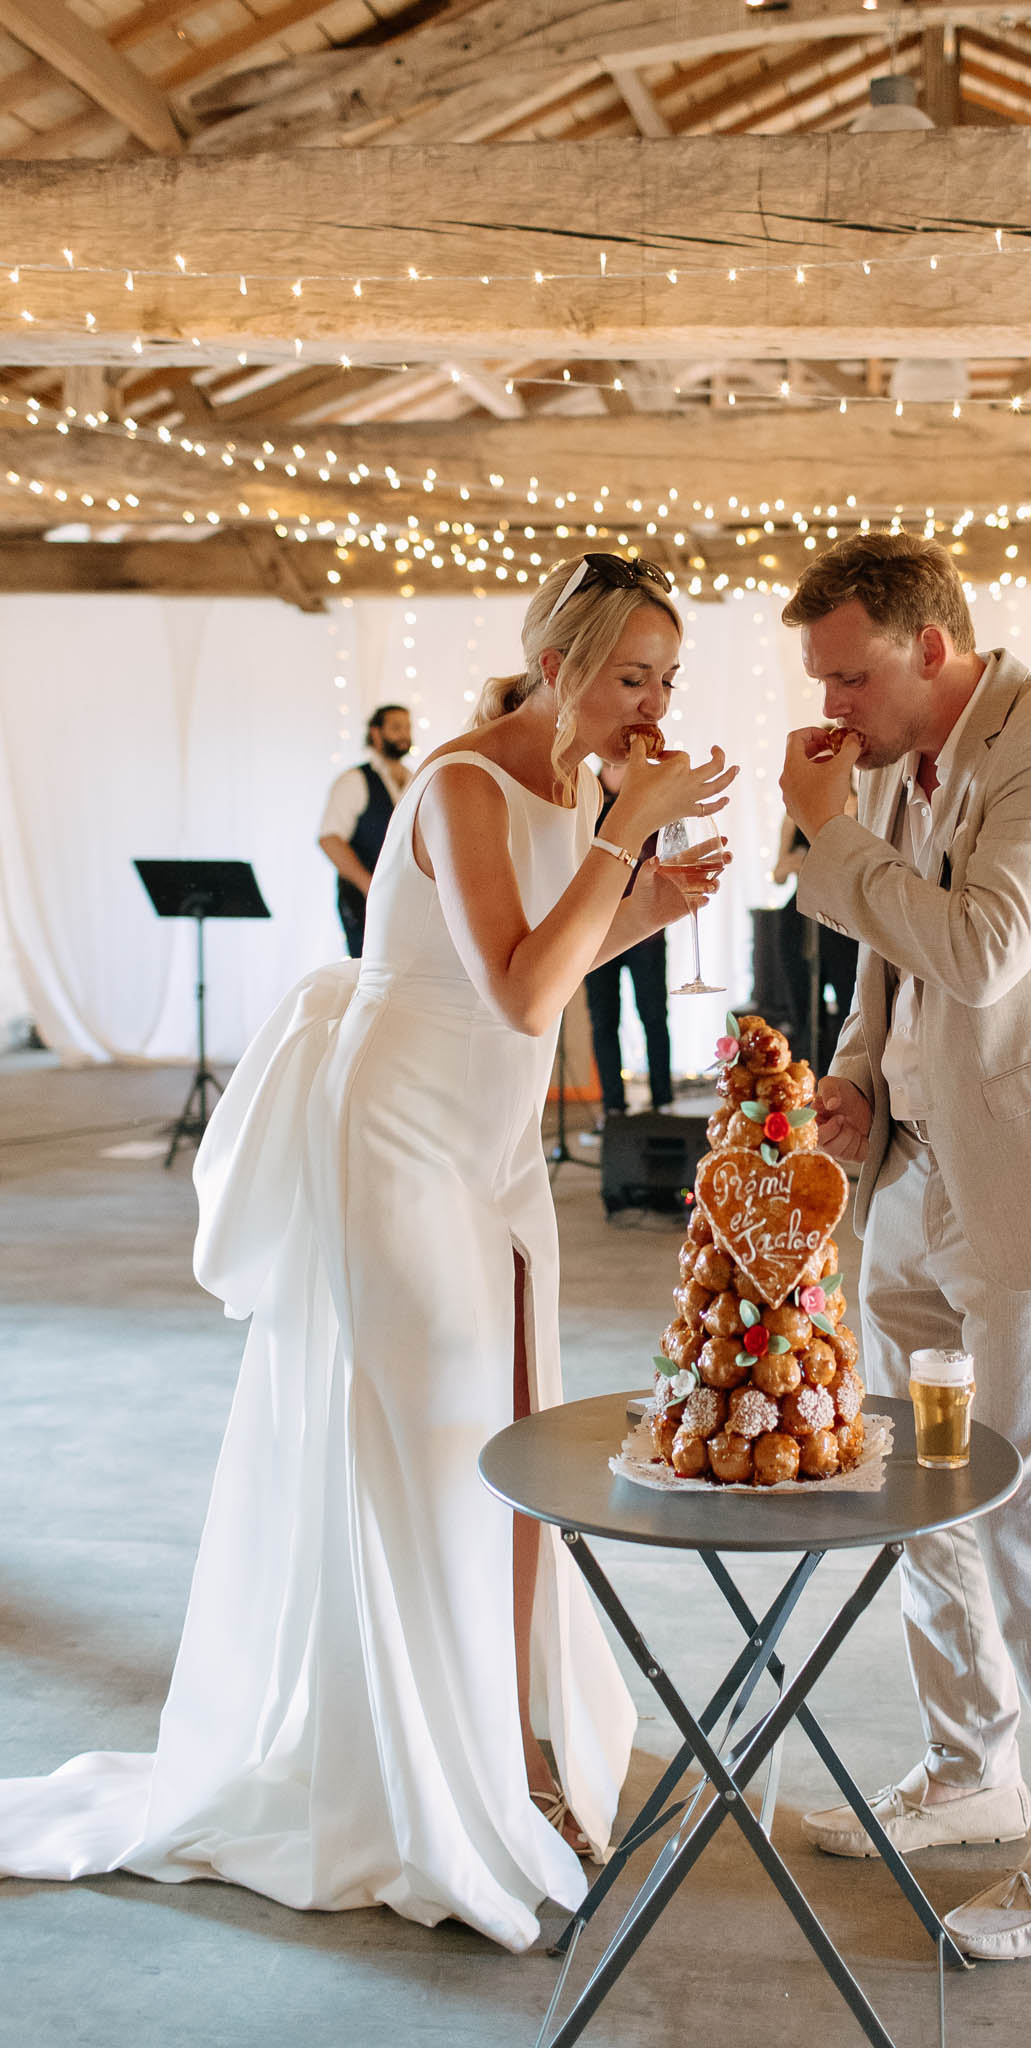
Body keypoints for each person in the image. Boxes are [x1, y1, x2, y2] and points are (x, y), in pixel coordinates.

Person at [0, 553, 736, 1951]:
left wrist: (649, 896)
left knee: (519, 1429)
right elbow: (522, 994)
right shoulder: (460, 781)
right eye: (630, 675)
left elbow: (542, 960)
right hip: (400, 1133)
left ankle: (512, 1736)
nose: (650, 703)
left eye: (666, 679)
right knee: (431, 1429)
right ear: (561, 664)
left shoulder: (579, 785)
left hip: (494, 1148)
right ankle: (425, 1772)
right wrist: (619, 836)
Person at [778, 531, 1031, 1963]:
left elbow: (985, 948)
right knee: (920, 1487)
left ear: (930, 648)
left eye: (849, 672)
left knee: (1027, 1502)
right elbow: (892, 979)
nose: (832, 702)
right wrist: (858, 1076)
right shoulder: (892, 761)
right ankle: (971, 1769)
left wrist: (831, 840)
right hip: (911, 1177)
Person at [583, 757, 672, 1125]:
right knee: (604, 1020)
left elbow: (668, 843)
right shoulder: (582, 789)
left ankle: (664, 1103)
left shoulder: (650, 788)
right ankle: (613, 1109)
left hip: (646, 926)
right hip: (594, 923)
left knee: (654, 1016)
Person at [318, 702, 413, 957]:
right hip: (362, 901)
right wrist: (369, 885)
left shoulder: (415, 779)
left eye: (407, 727)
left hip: (405, 900)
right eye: (396, 728)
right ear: (376, 733)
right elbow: (330, 839)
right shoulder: (355, 780)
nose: (404, 734)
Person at [772, 807, 859, 1071]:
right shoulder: (795, 813)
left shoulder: (860, 806)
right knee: (804, 1008)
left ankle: (848, 1077)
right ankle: (809, 1079)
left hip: (843, 919)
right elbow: (778, 875)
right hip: (801, 918)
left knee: (851, 1004)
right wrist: (794, 862)